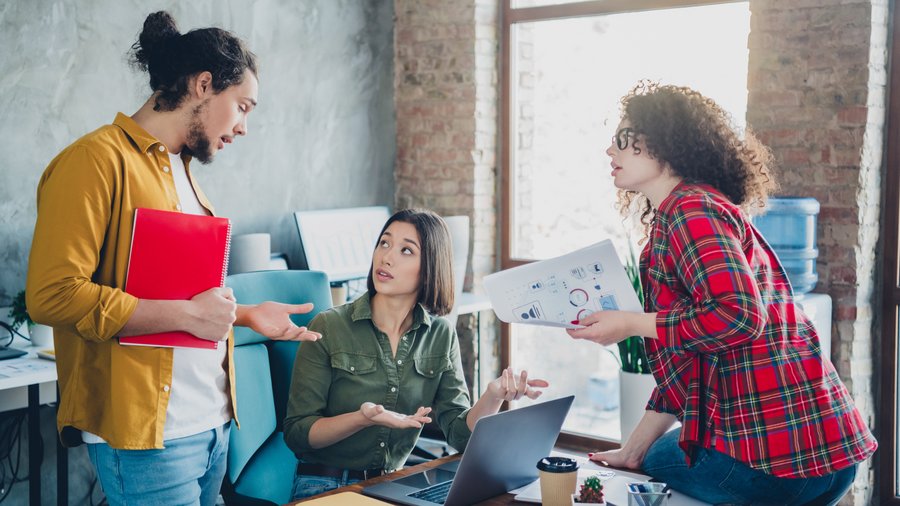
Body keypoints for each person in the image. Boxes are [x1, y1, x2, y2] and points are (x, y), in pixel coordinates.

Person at [26, 11, 320, 506]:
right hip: (148, 441)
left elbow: (179, 301)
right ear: (204, 85)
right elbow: (53, 296)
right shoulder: (94, 161)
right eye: (243, 106)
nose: (245, 127)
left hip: (211, 426)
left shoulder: (183, 173)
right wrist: (189, 314)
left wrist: (244, 315)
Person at [568, 82, 877, 505]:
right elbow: (690, 362)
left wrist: (630, 324)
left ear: (665, 145)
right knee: (652, 453)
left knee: (663, 458)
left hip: (785, 467)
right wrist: (630, 451)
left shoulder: (690, 211)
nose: (611, 151)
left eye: (624, 139)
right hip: (828, 453)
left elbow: (740, 315)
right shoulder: (691, 210)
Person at [284, 209, 549, 499]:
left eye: (406, 250)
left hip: (392, 486)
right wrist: (363, 418)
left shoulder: (440, 335)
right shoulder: (329, 326)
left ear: (430, 267)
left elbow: (460, 436)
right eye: (384, 243)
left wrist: (493, 396)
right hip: (325, 485)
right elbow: (297, 434)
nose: (386, 257)